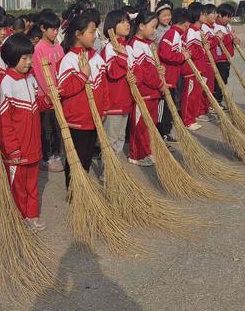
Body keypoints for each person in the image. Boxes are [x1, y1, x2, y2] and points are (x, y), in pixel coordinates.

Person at [0, 33, 49, 231]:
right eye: (24, 58)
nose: (28, 62)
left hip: (33, 144)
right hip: (17, 151)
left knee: (33, 184)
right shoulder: (6, 83)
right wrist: (12, 150)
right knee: (18, 186)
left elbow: (36, 105)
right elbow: (4, 123)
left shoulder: (31, 78)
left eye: (30, 57)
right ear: (10, 58)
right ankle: (20, 217)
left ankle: (32, 215)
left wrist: (47, 101)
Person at [58, 12, 109, 188]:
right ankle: (73, 192)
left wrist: (104, 110)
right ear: (78, 35)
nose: (95, 36)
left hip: (94, 118)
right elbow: (64, 90)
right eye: (91, 32)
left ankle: (84, 189)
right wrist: (82, 75)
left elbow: (104, 86)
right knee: (75, 158)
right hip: (77, 119)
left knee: (87, 157)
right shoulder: (69, 60)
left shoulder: (96, 57)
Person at [127, 11, 166, 166]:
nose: (154, 30)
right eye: (152, 26)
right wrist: (160, 83)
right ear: (141, 26)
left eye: (156, 27)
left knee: (150, 124)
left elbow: (154, 68)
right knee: (140, 126)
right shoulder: (135, 45)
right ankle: (136, 155)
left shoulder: (149, 44)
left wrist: (161, 70)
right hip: (142, 93)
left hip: (153, 92)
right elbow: (143, 73)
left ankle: (147, 151)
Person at [32, 10, 64, 173]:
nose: (55, 32)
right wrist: (49, 95)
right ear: (43, 28)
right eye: (52, 29)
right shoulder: (38, 49)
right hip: (46, 98)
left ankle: (56, 154)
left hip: (59, 95)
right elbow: (39, 75)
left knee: (58, 128)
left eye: (57, 29)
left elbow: (62, 69)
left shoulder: (58, 46)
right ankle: (46, 157)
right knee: (47, 129)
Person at [102, 10, 134, 155]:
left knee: (120, 138)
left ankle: (116, 173)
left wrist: (135, 78)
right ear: (112, 26)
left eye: (127, 21)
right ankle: (107, 173)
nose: (127, 24)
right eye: (122, 22)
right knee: (111, 139)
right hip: (113, 102)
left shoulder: (128, 47)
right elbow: (112, 72)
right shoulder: (110, 48)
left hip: (126, 101)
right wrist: (121, 56)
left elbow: (132, 70)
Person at [157, 8, 191, 143]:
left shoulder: (176, 34)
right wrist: (182, 56)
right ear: (186, 24)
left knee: (169, 108)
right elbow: (165, 54)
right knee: (164, 108)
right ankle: (161, 133)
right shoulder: (172, 34)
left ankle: (165, 131)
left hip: (172, 77)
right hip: (167, 78)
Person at [181, 2, 207, 131]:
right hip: (191, 69)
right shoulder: (191, 31)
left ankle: (193, 117)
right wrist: (203, 50)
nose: (205, 15)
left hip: (198, 68)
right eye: (203, 13)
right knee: (190, 94)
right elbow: (191, 50)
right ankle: (187, 119)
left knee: (196, 94)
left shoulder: (198, 30)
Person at [213, 3, 239, 107]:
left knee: (224, 79)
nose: (228, 19)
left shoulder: (228, 26)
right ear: (219, 14)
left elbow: (232, 38)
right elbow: (221, 40)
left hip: (226, 58)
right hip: (219, 59)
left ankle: (218, 100)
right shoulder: (215, 27)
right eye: (226, 16)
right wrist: (230, 37)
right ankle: (216, 102)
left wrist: (236, 39)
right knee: (218, 81)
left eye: (230, 16)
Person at [200, 4, 219, 121]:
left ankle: (206, 108)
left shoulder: (210, 27)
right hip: (206, 62)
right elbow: (208, 43)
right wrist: (218, 38)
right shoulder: (204, 28)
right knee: (205, 87)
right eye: (213, 13)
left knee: (210, 87)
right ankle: (201, 110)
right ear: (205, 15)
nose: (215, 15)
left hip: (211, 62)